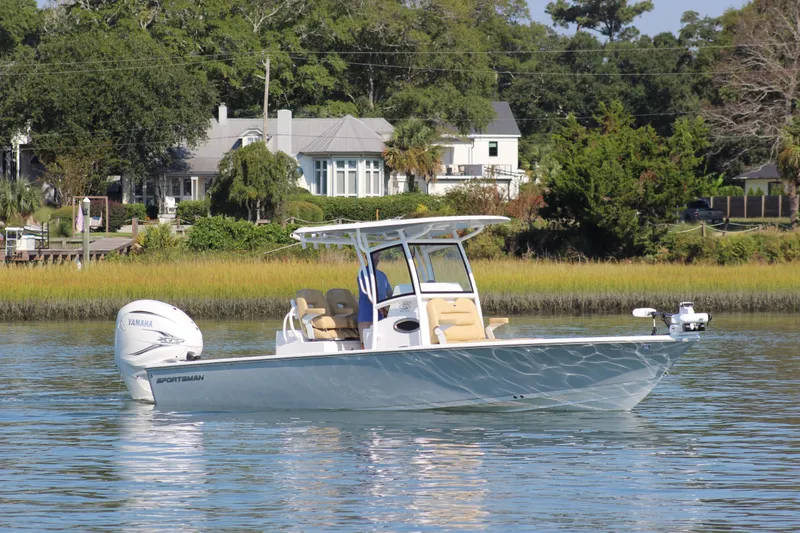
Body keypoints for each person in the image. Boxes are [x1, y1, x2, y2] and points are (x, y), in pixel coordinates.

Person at [357, 253, 392, 346]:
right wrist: (383, 309)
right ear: (366, 257)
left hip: (381, 319)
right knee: (366, 345)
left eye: (378, 255)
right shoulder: (363, 274)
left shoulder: (382, 275)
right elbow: (370, 292)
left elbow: (390, 294)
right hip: (367, 317)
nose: (377, 258)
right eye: (374, 255)